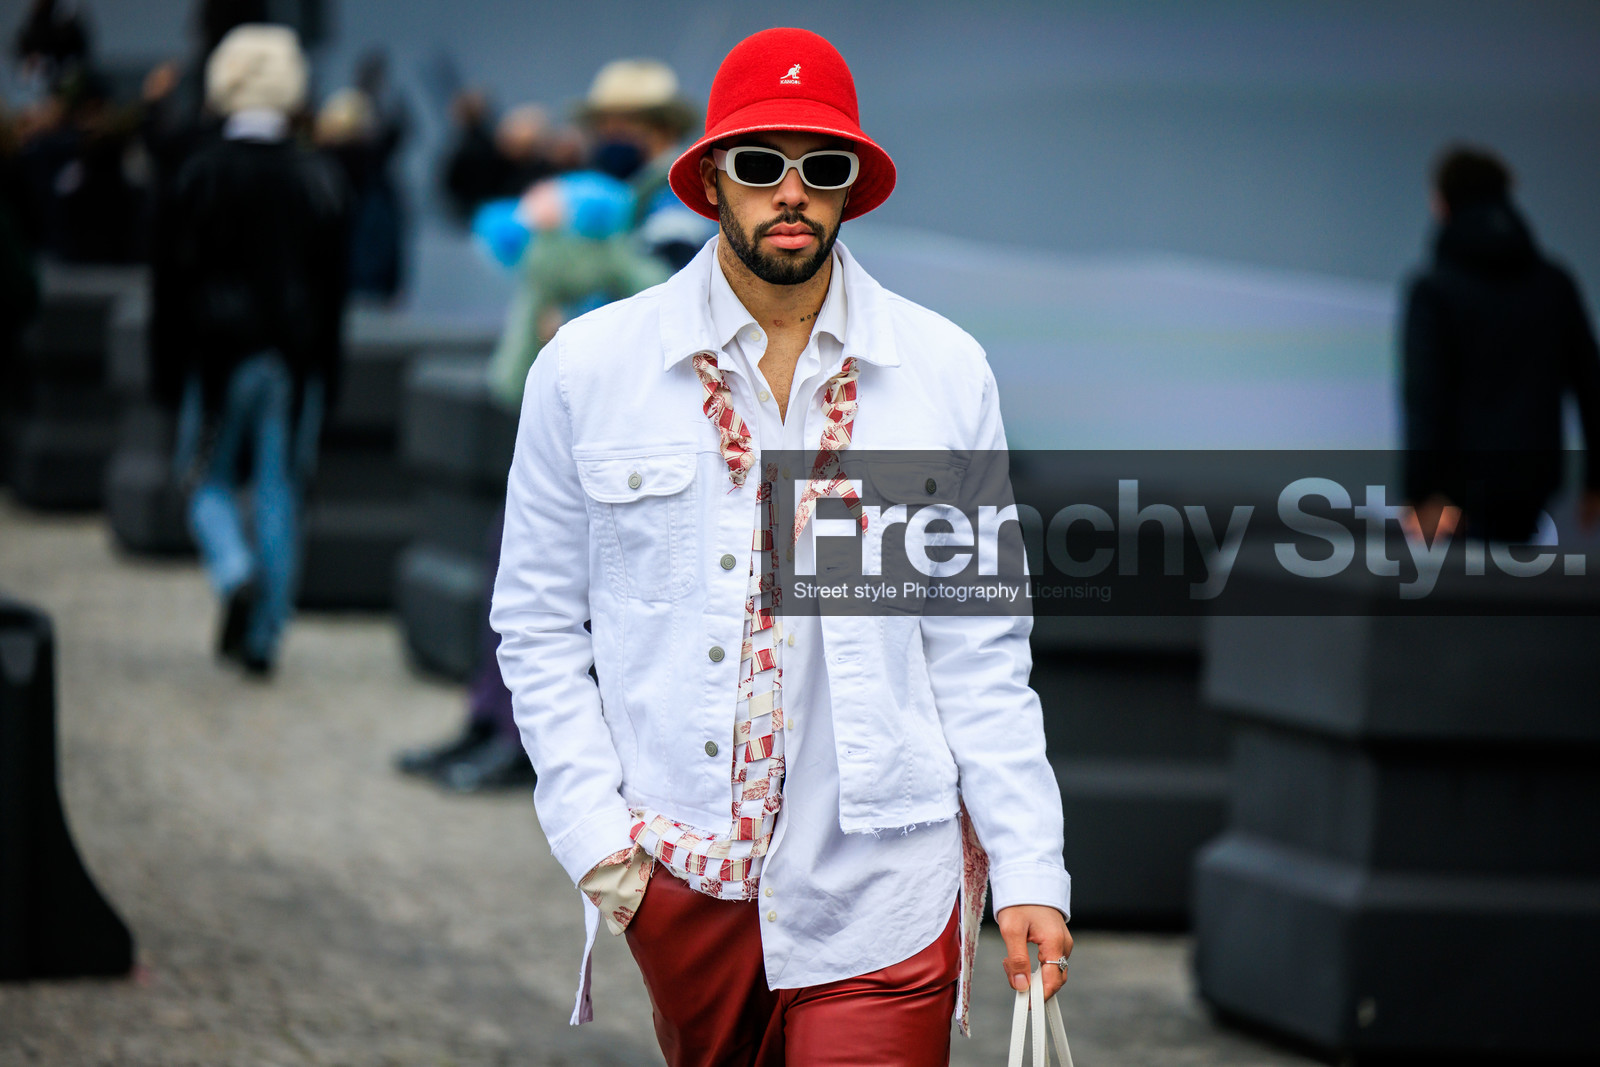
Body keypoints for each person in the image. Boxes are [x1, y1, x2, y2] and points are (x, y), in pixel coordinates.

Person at [490, 27, 1071, 1065]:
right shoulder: (590, 369)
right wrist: (601, 844)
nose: (790, 191)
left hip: (886, 878)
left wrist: (1029, 866)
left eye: (822, 166)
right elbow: (534, 622)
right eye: (760, 165)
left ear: (853, 186)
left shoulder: (939, 374)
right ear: (713, 179)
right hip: (680, 877)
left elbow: (978, 645)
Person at [158, 24, 348, 676]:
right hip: (295, 363)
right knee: (279, 492)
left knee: (202, 481)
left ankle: (233, 571)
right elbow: (334, 290)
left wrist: (166, 367)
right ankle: (266, 635)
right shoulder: (319, 176)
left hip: (216, 360)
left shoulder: (198, 172)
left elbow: (171, 283)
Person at [1402, 144, 1600, 544]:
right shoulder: (1554, 284)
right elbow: (1591, 385)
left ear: (1442, 204)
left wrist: (1421, 491)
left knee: (1459, 599)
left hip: (1455, 497)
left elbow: (1425, 395)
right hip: (1534, 487)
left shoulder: (1435, 291)